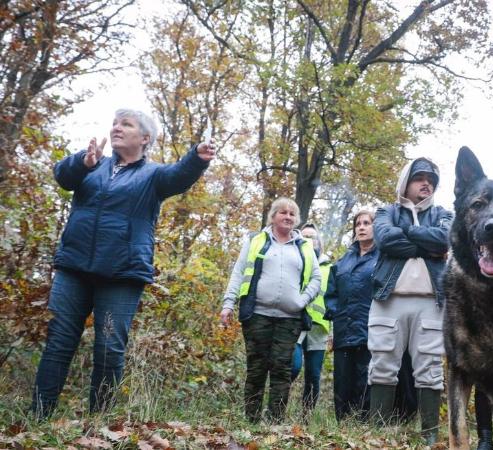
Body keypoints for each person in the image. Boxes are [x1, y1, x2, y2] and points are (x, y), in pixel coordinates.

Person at [31, 108, 214, 418]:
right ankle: (37, 416)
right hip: (74, 269)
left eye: (125, 124)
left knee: (109, 349)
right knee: (58, 344)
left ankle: (98, 423)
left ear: (144, 138)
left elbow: (180, 175)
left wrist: (196, 157)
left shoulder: (153, 175)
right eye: (114, 123)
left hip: (121, 274)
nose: (116, 128)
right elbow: (62, 176)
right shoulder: (93, 163)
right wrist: (82, 162)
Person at [369, 157, 453, 445]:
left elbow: (444, 239)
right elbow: (384, 239)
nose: (426, 183)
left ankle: (429, 436)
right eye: (419, 178)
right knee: (382, 363)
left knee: (430, 369)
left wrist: (410, 235)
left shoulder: (444, 214)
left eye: (431, 179)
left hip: (432, 302)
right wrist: (426, 247)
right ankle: (377, 434)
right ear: (406, 182)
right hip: (388, 298)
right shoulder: (386, 211)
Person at [220, 198, 322, 423]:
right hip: (257, 316)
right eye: (283, 212)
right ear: (273, 216)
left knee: (282, 370)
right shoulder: (256, 240)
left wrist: (301, 301)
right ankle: (252, 420)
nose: (288, 217)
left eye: (292, 214)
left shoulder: (304, 246)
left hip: (290, 319)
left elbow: (316, 278)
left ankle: (275, 422)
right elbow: (238, 272)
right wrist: (228, 304)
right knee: (256, 369)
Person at [324, 210, 378, 421]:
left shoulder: (384, 258)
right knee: (343, 379)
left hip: (370, 329)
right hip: (344, 329)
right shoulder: (342, 261)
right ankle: (341, 422)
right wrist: (336, 314)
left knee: (366, 379)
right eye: (358, 224)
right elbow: (331, 293)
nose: (362, 227)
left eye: (367, 223)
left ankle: (363, 423)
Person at [289, 223, 332, 414]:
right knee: (292, 367)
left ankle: (306, 418)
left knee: (313, 376)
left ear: (318, 241)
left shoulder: (330, 268)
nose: (308, 239)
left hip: (319, 328)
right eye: (304, 236)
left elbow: (335, 299)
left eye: (312, 236)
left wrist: (334, 331)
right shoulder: (294, 260)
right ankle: (277, 409)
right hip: (295, 323)